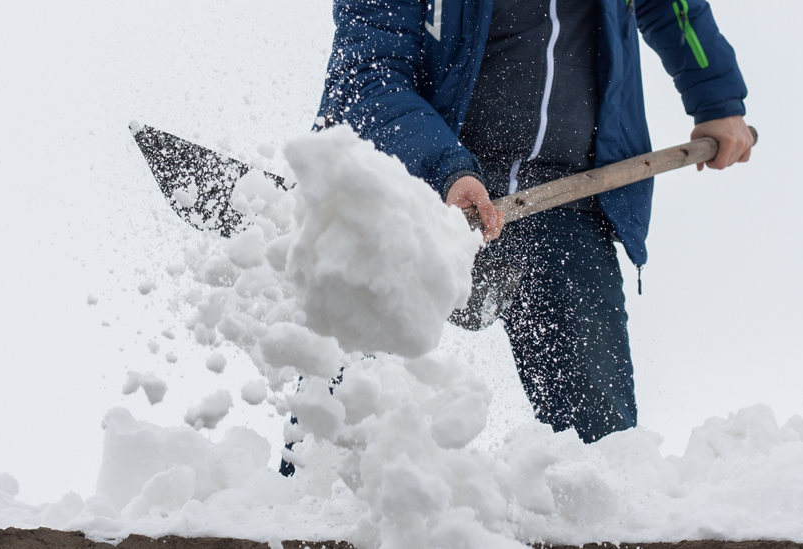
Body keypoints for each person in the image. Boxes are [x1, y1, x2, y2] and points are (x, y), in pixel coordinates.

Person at [313, 0, 754, 442]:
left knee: (604, 447)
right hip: (418, 199)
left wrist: (715, 96)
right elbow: (365, 77)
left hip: (566, 199)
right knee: (340, 417)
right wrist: (446, 169)